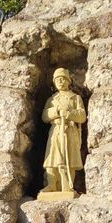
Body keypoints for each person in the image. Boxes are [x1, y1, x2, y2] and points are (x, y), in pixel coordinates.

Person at [40, 67, 86, 196]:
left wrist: (69, 114)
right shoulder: (52, 99)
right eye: (57, 80)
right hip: (56, 132)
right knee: (52, 157)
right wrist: (55, 112)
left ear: (68, 81)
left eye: (63, 79)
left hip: (70, 131)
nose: (60, 82)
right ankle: (51, 184)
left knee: (69, 158)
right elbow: (44, 116)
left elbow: (82, 116)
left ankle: (67, 186)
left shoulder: (75, 98)